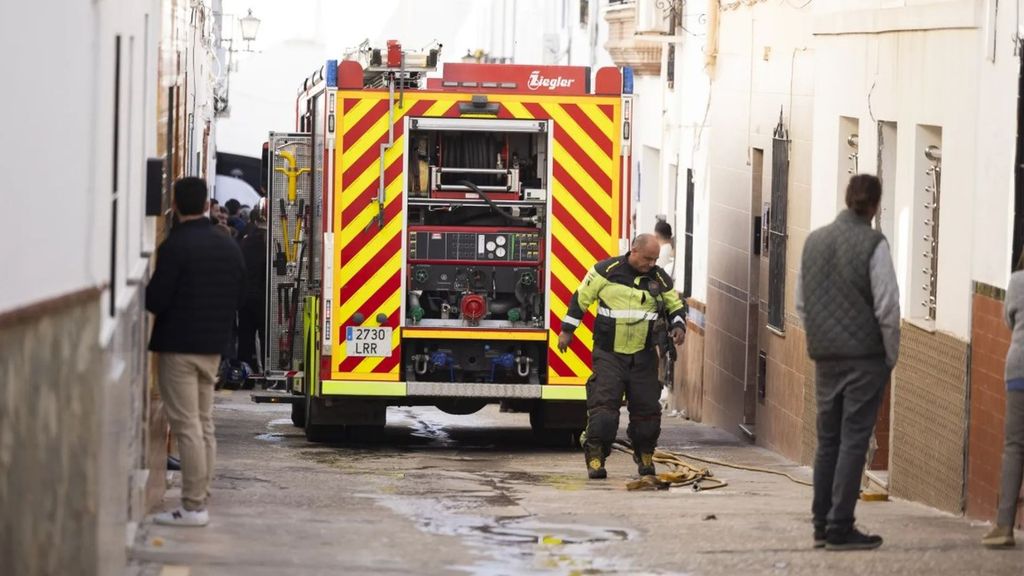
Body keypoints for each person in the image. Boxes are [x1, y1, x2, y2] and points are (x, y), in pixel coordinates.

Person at [797, 174, 900, 551]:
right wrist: (890, 355)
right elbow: (887, 307)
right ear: (875, 205)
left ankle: (821, 525)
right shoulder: (874, 244)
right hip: (865, 358)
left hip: (826, 357)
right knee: (854, 439)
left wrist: (822, 337)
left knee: (827, 440)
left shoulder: (814, 241)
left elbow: (801, 303)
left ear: (846, 199)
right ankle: (840, 525)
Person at [146, 177, 247, 527]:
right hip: (213, 349)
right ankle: (201, 496)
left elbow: (156, 299)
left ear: (174, 204)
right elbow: (239, 295)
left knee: (187, 426)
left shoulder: (175, 246)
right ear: (206, 205)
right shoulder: (227, 245)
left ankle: (192, 506)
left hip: (178, 348)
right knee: (204, 424)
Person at [558, 234, 686, 479]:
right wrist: (567, 331)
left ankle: (645, 454)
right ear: (633, 251)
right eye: (647, 258)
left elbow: (675, 306)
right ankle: (596, 456)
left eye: (655, 259)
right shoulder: (605, 271)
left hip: (644, 356)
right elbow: (580, 299)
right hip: (609, 355)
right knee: (604, 411)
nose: (651, 264)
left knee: (647, 412)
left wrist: (679, 325)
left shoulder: (659, 278)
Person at [982, 252, 1024, 548]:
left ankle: (1004, 525)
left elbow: (1009, 320)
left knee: (1015, 447)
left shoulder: (1017, 281)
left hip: (1020, 370)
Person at [237, 198, 268, 375]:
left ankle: (244, 372)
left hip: (246, 297)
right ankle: (266, 372)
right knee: (265, 337)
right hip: (263, 297)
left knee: (245, 338)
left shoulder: (246, 240)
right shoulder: (267, 241)